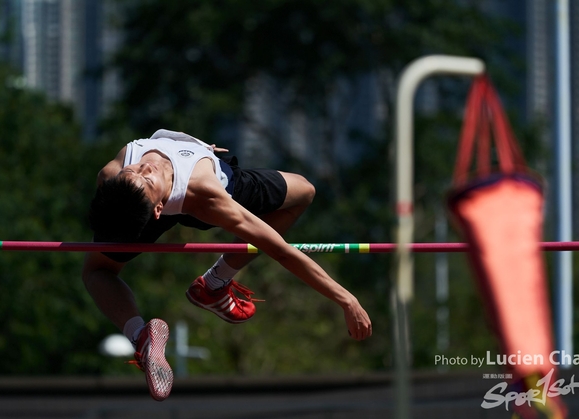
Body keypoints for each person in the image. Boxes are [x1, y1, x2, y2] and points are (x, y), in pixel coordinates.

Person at [81, 129, 372, 401]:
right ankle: (213, 284)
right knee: (304, 192)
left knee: (98, 268)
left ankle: (142, 335)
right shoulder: (206, 196)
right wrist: (346, 299)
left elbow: (116, 202)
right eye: (146, 181)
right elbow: (281, 252)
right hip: (213, 184)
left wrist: (195, 147)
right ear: (158, 210)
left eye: (133, 171)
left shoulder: (112, 179)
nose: (145, 169)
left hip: (164, 190)